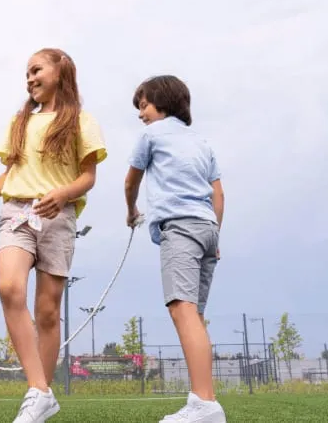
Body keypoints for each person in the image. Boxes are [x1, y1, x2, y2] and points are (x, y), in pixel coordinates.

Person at [0, 48, 107, 423]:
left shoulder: (81, 121)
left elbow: (87, 177)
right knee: (9, 288)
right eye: (26, 74)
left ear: (61, 72)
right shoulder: (19, 123)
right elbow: (9, 177)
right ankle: (39, 390)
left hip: (58, 215)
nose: (29, 79)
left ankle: (38, 403)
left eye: (36, 70)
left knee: (48, 310)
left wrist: (62, 194)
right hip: (17, 213)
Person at [124, 75, 226, 423]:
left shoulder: (151, 135)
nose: (141, 114)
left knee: (181, 309)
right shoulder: (202, 142)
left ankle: (204, 404)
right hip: (208, 229)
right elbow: (218, 194)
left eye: (144, 106)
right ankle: (203, 400)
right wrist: (216, 235)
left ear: (161, 103)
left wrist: (130, 211)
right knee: (194, 316)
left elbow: (131, 180)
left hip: (180, 227)